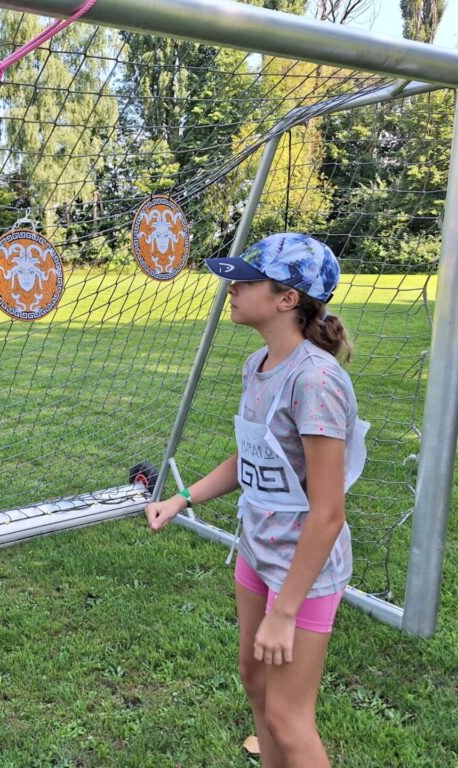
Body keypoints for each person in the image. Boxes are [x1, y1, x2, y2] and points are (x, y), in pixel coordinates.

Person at [145, 233, 367, 768]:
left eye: (246, 281)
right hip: (257, 551)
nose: (232, 289)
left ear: (287, 298)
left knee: (289, 720)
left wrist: (285, 611)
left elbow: (328, 513)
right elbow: (252, 456)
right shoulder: (257, 364)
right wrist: (181, 498)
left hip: (303, 572)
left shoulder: (315, 381)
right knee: (255, 681)